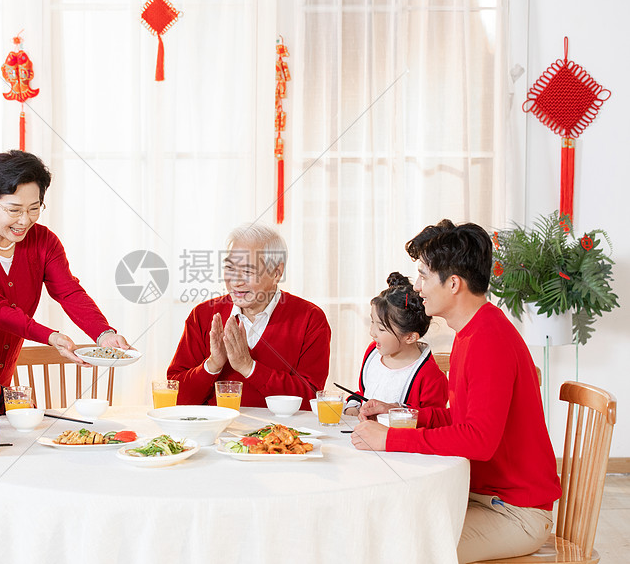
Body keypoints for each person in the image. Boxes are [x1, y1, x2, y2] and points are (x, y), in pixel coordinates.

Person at [351, 220, 561, 563]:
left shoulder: (488, 340)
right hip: (481, 495)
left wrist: (389, 439)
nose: (417, 288)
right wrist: (402, 414)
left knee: (402, 548)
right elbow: (462, 417)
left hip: (515, 513)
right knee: (384, 522)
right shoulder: (471, 331)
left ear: (453, 284)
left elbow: (478, 439)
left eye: (423, 276)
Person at [0, 150, 130, 387]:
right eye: (14, 210)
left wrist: (104, 334)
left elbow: (69, 291)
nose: (25, 220)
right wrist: (50, 336)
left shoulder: (44, 241)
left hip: (0, 376)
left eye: (34, 208)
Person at [167, 223, 331, 408]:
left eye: (247, 271)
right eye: (230, 268)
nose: (235, 282)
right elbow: (176, 396)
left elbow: (310, 399)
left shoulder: (310, 319)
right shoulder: (203, 315)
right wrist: (212, 365)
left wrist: (249, 367)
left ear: (277, 273)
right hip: (218, 433)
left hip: (280, 434)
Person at [344, 271, 447, 416]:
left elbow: (434, 419)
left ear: (410, 337)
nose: (372, 333)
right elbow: (363, 393)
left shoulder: (431, 377)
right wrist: (353, 408)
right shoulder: (372, 352)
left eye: (381, 328)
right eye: (372, 322)